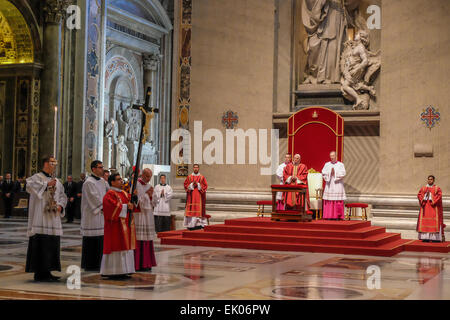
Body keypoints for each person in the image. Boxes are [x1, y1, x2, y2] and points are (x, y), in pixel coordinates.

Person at [25, 156, 67, 282]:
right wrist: (46, 184)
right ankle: (39, 273)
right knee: (41, 243)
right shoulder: (36, 178)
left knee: (51, 244)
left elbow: (63, 196)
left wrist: (60, 205)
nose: (54, 165)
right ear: (45, 164)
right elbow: (29, 187)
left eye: (55, 163)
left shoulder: (57, 181)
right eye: (52, 162)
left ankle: (48, 271)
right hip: (40, 217)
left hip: (53, 218)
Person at [101, 172, 136, 279]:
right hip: (115, 227)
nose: (121, 181)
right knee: (116, 247)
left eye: (121, 179)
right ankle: (113, 271)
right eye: (119, 179)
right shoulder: (109, 194)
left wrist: (135, 197)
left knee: (125, 247)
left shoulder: (124, 194)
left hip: (125, 226)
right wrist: (126, 207)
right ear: (112, 182)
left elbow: (134, 205)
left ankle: (126, 270)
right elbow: (110, 207)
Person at [80, 160, 108, 271]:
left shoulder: (102, 181)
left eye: (102, 167)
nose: (102, 169)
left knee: (100, 240)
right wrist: (105, 207)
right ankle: (89, 264)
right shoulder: (88, 182)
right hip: (92, 216)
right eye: (100, 167)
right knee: (91, 242)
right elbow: (94, 199)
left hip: (101, 216)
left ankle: (99, 263)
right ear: (93, 169)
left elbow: (107, 194)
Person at [134, 168, 157, 271]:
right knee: (139, 239)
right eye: (147, 176)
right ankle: (139, 263)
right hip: (139, 216)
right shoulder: (136, 184)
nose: (148, 179)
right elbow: (137, 202)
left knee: (147, 239)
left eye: (150, 177)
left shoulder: (150, 186)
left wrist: (151, 197)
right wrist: (147, 195)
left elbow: (155, 202)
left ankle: (147, 263)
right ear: (142, 175)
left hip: (148, 216)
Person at [417, 175, 445, 242]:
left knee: (434, 222)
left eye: (431, 179)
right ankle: (425, 238)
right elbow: (419, 195)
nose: (430, 180)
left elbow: (439, 196)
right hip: (425, 208)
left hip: (434, 208)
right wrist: (424, 197)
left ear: (433, 180)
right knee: (426, 222)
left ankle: (435, 238)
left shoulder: (437, 188)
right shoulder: (423, 188)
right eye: (429, 179)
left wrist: (431, 196)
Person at [321, 151, 346, 220]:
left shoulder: (341, 165)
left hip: (337, 184)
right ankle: (328, 216)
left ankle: (338, 216)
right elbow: (323, 172)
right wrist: (329, 173)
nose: (332, 157)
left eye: (333, 156)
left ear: (336, 156)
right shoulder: (327, 164)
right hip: (329, 184)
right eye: (331, 156)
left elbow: (343, 173)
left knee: (337, 200)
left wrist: (335, 173)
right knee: (329, 199)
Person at [183, 164, 208, 230]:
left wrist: (198, 184)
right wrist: (191, 185)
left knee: (199, 211)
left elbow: (205, 186)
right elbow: (185, 185)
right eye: (194, 167)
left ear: (198, 168)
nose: (196, 169)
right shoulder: (189, 177)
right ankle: (191, 225)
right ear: (193, 168)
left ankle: (200, 224)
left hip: (199, 197)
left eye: (197, 167)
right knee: (192, 211)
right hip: (191, 197)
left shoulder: (202, 177)